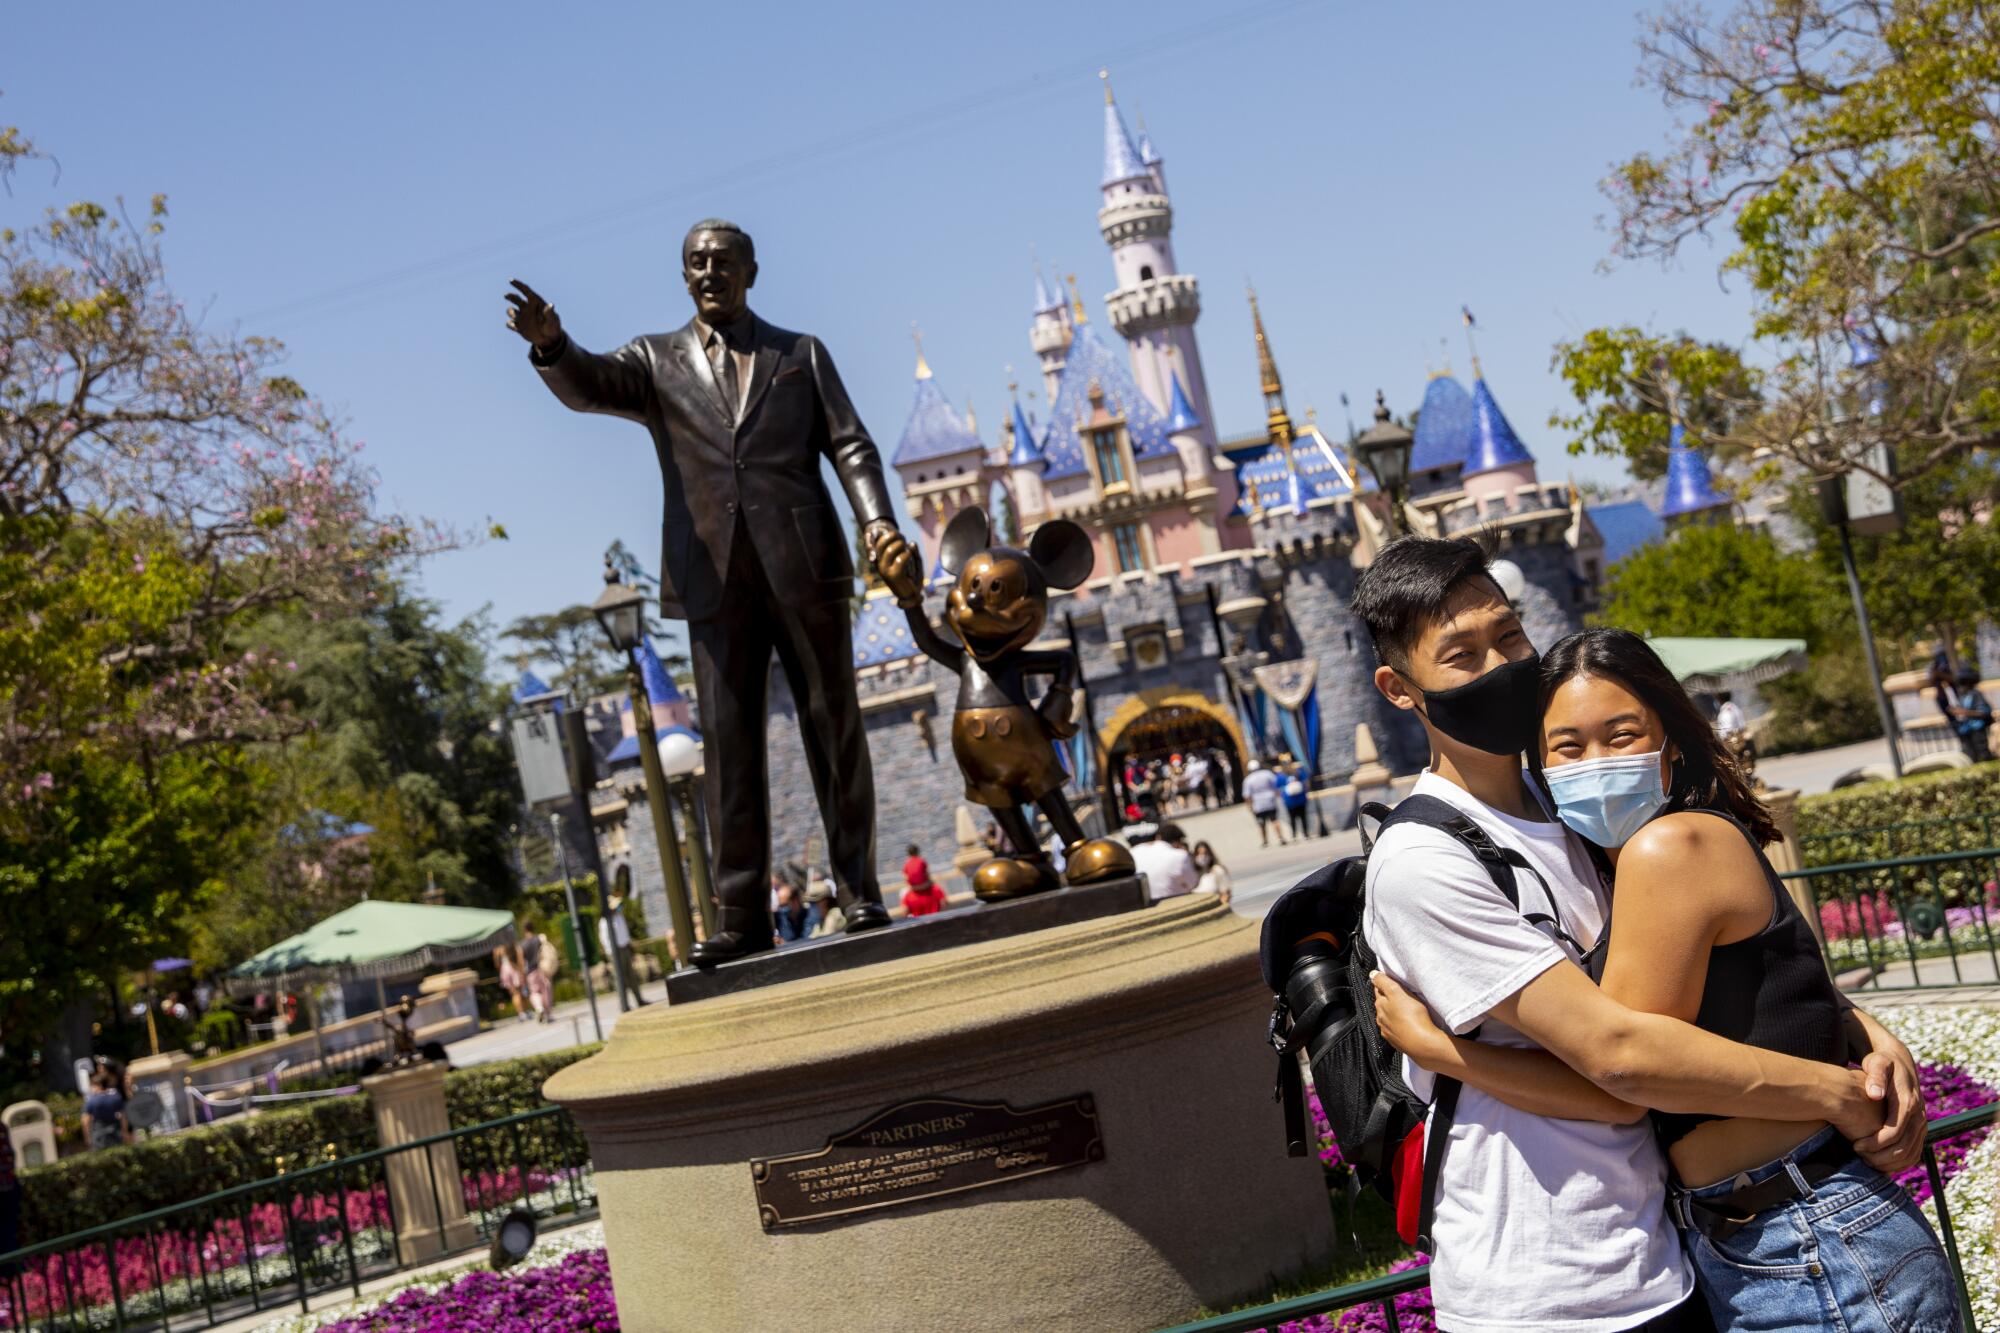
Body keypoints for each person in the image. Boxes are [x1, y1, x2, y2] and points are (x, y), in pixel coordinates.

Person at [1346, 535, 1918, 1333]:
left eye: (1510, 636)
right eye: (1461, 654)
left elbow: (1724, 969)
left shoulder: (1571, 809)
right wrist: (1829, 1087)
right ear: (1399, 687)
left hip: (1672, 1251)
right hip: (1551, 1283)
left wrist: (1857, 1027)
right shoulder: (1424, 861)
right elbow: (1619, 1065)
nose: (1501, 665)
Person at [508, 219, 906, 964]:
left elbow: (850, 443)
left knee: (836, 728)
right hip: (712, 575)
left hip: (807, 566)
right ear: (683, 276)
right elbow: (592, 384)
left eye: (724, 261)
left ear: (752, 271)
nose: (709, 272)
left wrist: (877, 520)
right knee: (725, 747)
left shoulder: (801, 353)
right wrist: (552, 348)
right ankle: (742, 915)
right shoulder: (656, 361)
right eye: (696, 263)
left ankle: (859, 892)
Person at [597, 874, 648, 1009]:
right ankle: (624, 1004)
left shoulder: (619, 917)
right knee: (620, 978)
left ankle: (639, 999)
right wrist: (611, 953)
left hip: (624, 947)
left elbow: (624, 934)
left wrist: (630, 947)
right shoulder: (604, 921)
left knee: (631, 975)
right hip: (614, 951)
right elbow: (604, 939)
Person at [1129, 821, 1198, 901]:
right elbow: (1192, 883)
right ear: (1178, 842)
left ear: (1158, 837)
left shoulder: (1134, 852)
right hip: (1175, 904)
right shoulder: (1180, 855)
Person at [1945, 663, 1993, 764]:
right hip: (1967, 730)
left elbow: (1983, 712)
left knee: (1983, 754)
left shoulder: (1976, 694)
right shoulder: (1964, 696)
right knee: (1970, 756)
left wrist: (1963, 712)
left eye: (1963, 683)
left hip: (1978, 729)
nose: (1961, 686)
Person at [1241, 759, 1286, 846]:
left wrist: (1249, 806)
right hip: (1270, 801)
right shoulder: (1267, 774)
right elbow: (1276, 785)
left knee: (1261, 823)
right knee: (1274, 820)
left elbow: (1247, 795)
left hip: (1258, 804)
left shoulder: (1248, 780)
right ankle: (1280, 838)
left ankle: (1265, 841)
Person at [83, 1069, 129, 1150]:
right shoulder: (116, 1097)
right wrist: (124, 1132)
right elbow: (123, 1116)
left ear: (99, 1085)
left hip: (99, 1136)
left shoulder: (92, 1100)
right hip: (115, 1134)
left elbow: (85, 1120)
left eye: (93, 1086)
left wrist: (88, 1138)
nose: (92, 1089)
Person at [520, 921, 556, 1023]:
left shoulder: (523, 944)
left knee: (535, 992)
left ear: (524, 930)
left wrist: (523, 975)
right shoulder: (539, 939)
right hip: (543, 968)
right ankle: (548, 1014)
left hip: (531, 971)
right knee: (546, 991)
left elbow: (522, 962)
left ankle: (539, 1008)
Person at [901, 846, 948, 917]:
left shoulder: (906, 864)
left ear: (908, 854)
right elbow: (944, 903)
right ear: (918, 852)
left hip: (914, 891)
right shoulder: (921, 861)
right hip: (927, 889)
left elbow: (904, 913)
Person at [493, 944, 527, 1023]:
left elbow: (497, 964)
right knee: (519, 992)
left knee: (514, 994)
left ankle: (520, 1013)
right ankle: (524, 1011)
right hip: (513, 967)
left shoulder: (497, 949)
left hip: (504, 970)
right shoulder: (510, 945)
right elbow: (518, 958)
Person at [1190, 841, 1232, 906]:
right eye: (1199, 854)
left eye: (1205, 853)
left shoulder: (1218, 870)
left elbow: (1226, 893)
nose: (1202, 856)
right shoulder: (1194, 873)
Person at [1280, 760, 1311, 838]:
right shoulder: (1299, 772)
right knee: (1303, 817)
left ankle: (1294, 835)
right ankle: (1306, 833)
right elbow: (1306, 784)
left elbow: (1278, 789)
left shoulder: (1281, 776)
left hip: (1289, 801)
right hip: (1301, 799)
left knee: (1292, 818)